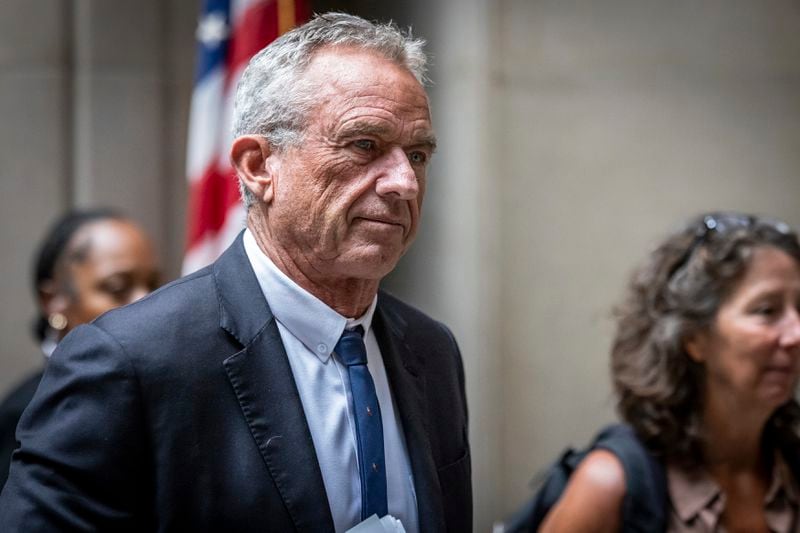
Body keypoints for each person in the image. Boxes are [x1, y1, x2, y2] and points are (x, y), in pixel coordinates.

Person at [0, 13, 471, 533]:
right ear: (257, 165)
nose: (404, 182)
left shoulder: (432, 352)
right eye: (364, 145)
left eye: (419, 154)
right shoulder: (128, 362)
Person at [539, 212, 800, 532]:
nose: (795, 334)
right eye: (766, 311)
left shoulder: (789, 471)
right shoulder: (611, 485)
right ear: (693, 337)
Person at [0, 208, 159, 488]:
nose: (146, 302)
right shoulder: (24, 415)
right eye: (118, 287)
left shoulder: (171, 390)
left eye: (153, 285)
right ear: (54, 300)